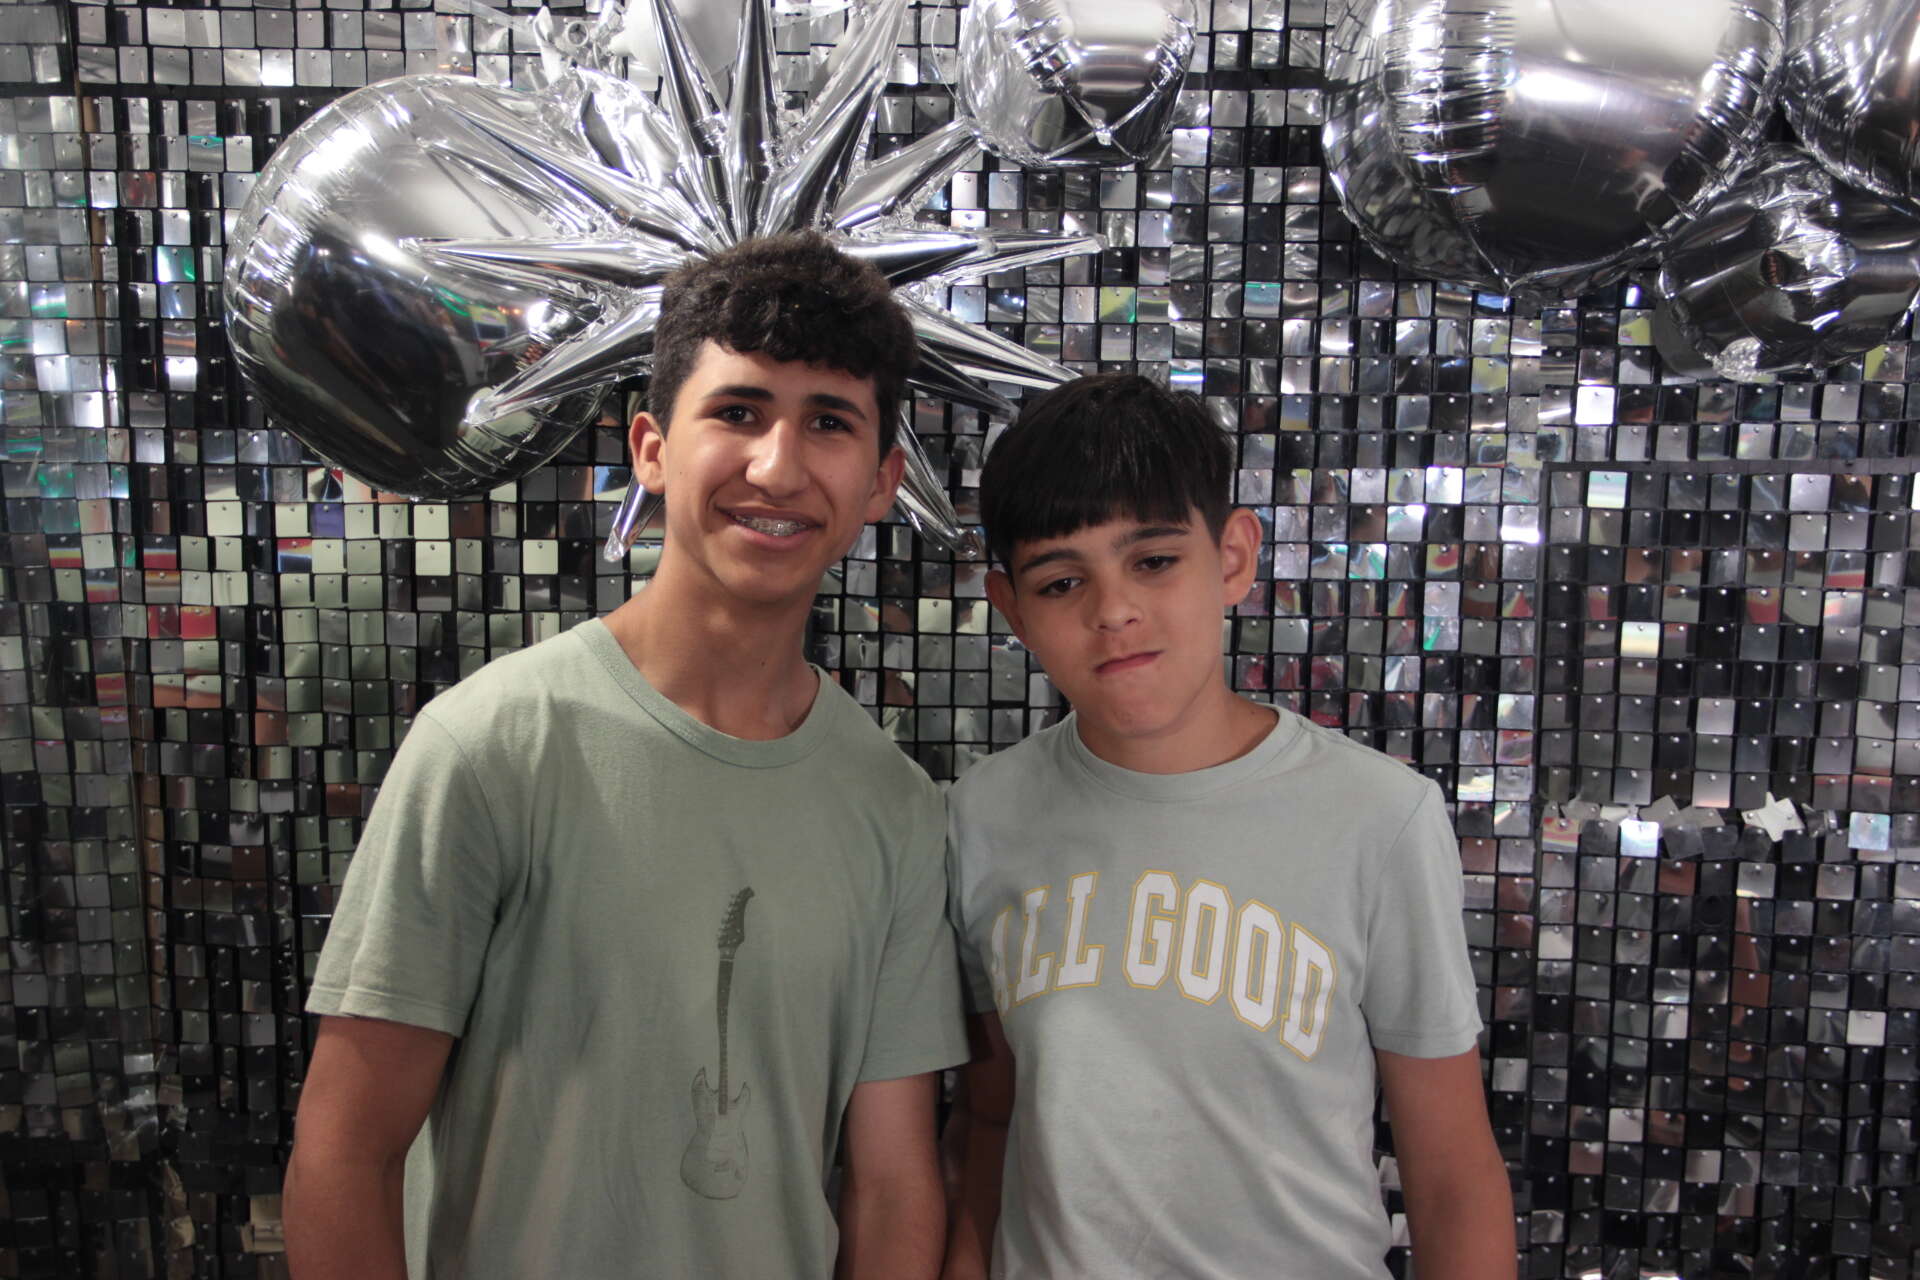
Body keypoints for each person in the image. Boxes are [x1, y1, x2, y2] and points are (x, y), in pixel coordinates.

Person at [283, 231, 968, 1280]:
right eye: (737, 412)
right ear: (651, 447)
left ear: (882, 481)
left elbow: (891, 1185)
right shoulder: (492, 746)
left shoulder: (897, 807)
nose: (777, 466)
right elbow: (344, 1151)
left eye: (829, 422)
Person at [941, 374, 1516, 1279]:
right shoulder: (979, 817)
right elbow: (989, 1117)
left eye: (1154, 561)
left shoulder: (1379, 817)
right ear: (1014, 609)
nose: (1113, 611)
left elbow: (1451, 1172)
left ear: (1235, 557)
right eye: (1062, 581)